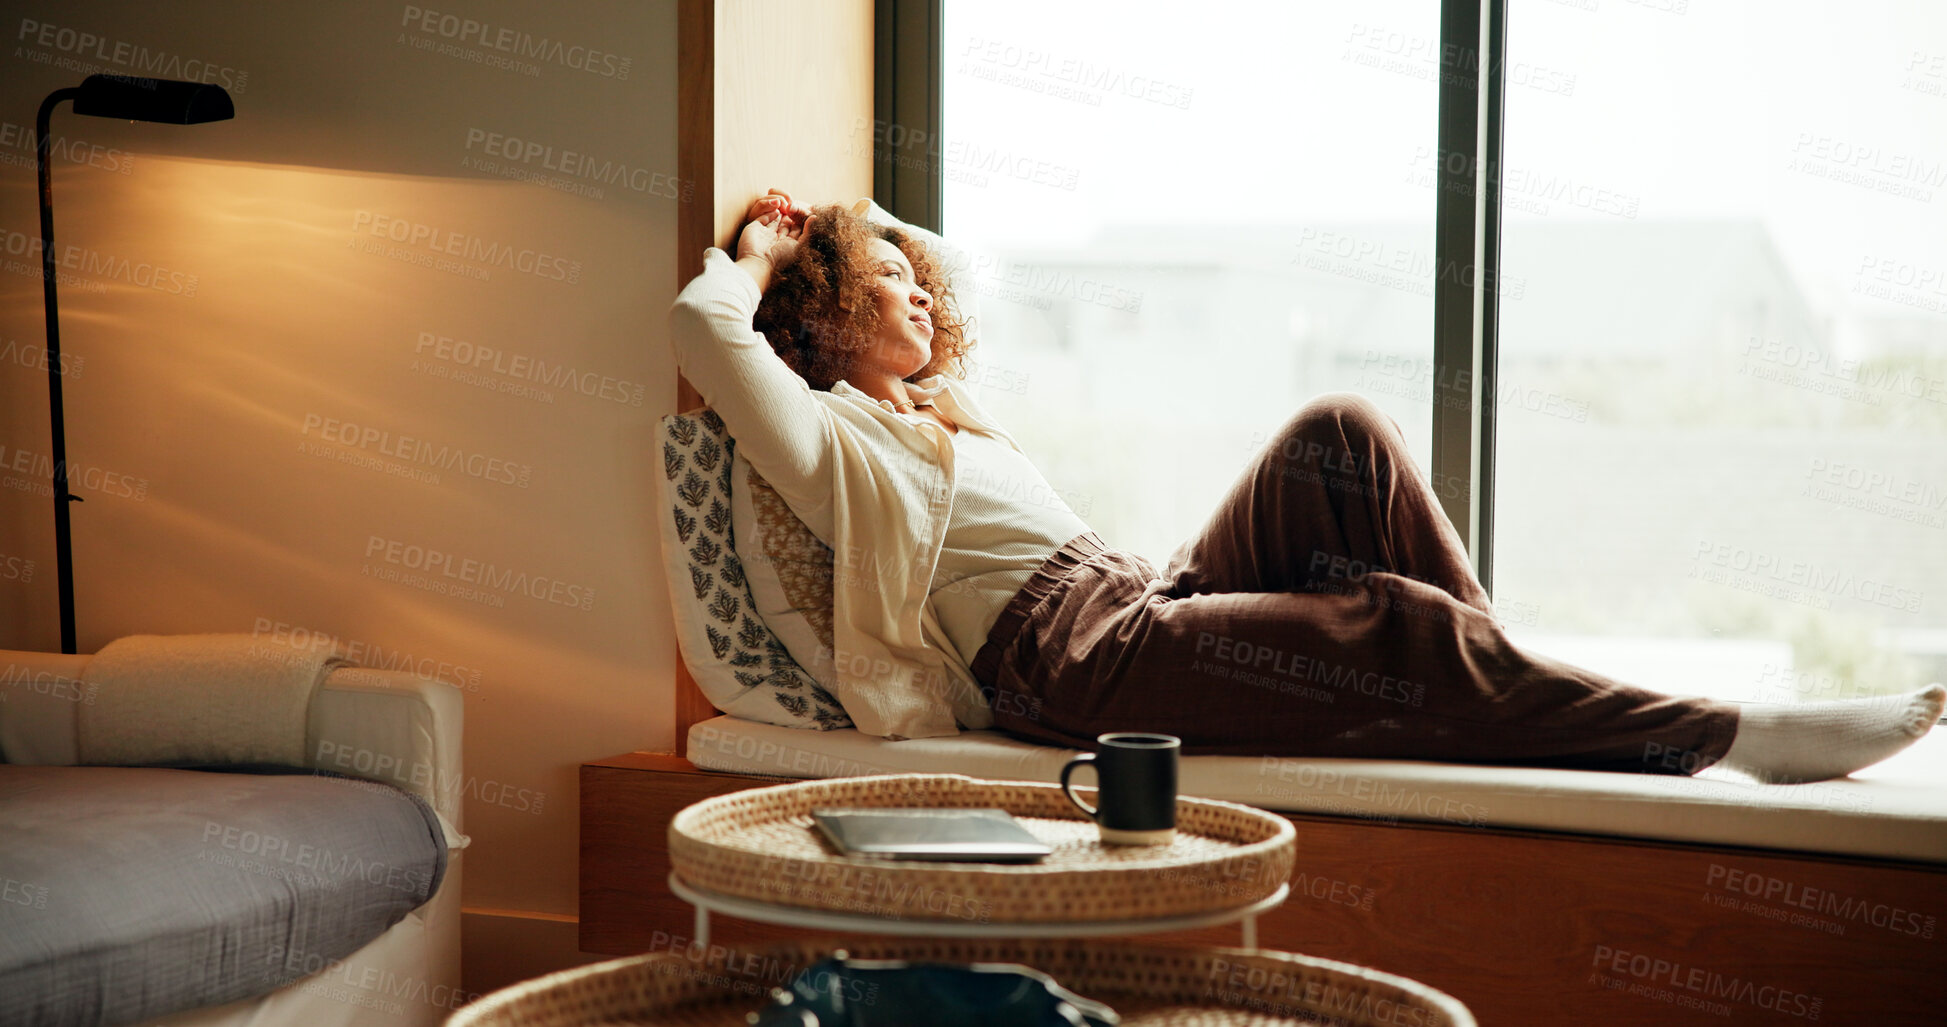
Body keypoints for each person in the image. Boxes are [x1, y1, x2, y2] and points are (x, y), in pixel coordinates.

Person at [670, 187, 1944, 783]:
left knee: (1341, 431)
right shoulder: (830, 441)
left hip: (1136, 593)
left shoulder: (938, 407)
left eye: (907, 274)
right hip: (1071, 664)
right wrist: (767, 247)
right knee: (1395, 622)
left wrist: (870, 221)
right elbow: (704, 332)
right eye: (880, 279)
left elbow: (941, 257)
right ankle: (1727, 735)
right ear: (825, 314)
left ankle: (1502, 692)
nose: (916, 290)